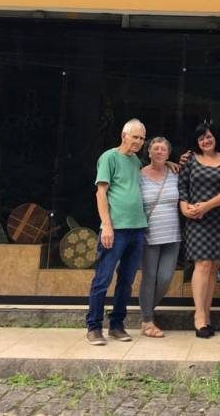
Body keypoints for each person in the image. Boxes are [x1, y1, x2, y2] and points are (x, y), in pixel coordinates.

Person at [85, 118, 148, 345]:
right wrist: (107, 225)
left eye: (142, 138)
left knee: (126, 281)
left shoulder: (136, 162)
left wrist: (168, 164)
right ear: (124, 135)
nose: (138, 141)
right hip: (115, 229)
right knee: (103, 278)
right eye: (135, 137)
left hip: (137, 229)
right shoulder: (109, 157)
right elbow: (101, 193)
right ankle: (93, 327)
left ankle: (117, 325)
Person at [178, 122, 220, 337]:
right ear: (197, 142)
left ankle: (207, 313)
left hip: (219, 219)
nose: (206, 141)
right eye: (201, 138)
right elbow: (182, 187)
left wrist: (207, 206)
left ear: (215, 138)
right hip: (196, 220)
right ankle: (199, 316)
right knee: (202, 264)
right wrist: (184, 208)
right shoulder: (190, 160)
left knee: (213, 266)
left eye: (209, 136)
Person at [138, 136, 181, 338]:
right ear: (148, 152)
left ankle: (146, 311)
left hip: (172, 234)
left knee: (165, 277)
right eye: (155, 148)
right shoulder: (139, 175)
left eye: (163, 149)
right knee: (149, 277)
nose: (159, 152)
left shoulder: (175, 173)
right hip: (149, 234)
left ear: (168, 153)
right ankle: (147, 320)